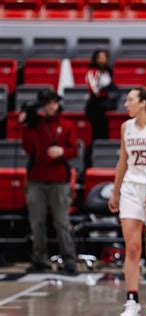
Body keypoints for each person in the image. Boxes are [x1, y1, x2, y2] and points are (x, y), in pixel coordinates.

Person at [108, 88, 146, 316]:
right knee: (132, 248)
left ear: (143, 103)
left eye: (130, 100)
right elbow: (123, 162)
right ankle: (132, 301)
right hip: (131, 189)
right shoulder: (126, 127)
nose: (126, 104)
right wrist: (115, 193)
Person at [20, 89, 78, 274]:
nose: (50, 106)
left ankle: (69, 260)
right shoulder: (34, 125)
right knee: (37, 222)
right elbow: (28, 148)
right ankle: (39, 259)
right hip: (36, 179)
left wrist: (63, 152)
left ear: (57, 103)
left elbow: (74, 150)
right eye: (46, 103)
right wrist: (25, 126)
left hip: (59, 179)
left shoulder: (67, 125)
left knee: (62, 222)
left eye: (52, 102)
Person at [85, 49, 118, 140]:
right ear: (95, 59)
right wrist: (108, 94)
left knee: (105, 132)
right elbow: (94, 90)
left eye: (104, 57)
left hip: (105, 107)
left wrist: (113, 93)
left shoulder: (108, 72)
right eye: (100, 57)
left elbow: (113, 87)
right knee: (96, 132)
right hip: (95, 106)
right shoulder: (92, 72)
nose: (102, 60)